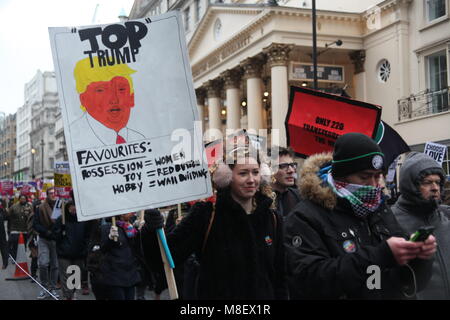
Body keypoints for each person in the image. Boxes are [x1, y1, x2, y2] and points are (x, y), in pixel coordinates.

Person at [285, 132, 436, 299]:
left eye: (377, 176)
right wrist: (380, 255)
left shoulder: (380, 208)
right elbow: (309, 280)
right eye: (364, 177)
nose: (373, 185)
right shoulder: (305, 217)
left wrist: (419, 257)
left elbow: (408, 283)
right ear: (341, 176)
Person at [141, 146, 288, 299]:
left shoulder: (272, 218)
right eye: (243, 173)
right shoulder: (206, 214)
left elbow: (280, 276)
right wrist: (151, 231)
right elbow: (163, 258)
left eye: (255, 172)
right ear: (226, 177)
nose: (251, 180)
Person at [392, 152, 450, 299]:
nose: (435, 187)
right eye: (427, 182)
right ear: (410, 185)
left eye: (437, 182)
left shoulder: (446, 216)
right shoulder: (390, 220)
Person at [70, 56, 145, 149]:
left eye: (121, 89)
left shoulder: (141, 140)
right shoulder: (73, 138)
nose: (114, 99)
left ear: (131, 98)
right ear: (83, 99)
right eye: (101, 90)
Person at [89, 213, 141, 300]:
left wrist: (141, 231)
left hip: (130, 274)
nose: (132, 213)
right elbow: (101, 249)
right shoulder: (106, 229)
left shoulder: (131, 229)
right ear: (120, 214)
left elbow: (137, 248)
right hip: (114, 275)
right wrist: (110, 239)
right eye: (128, 211)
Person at [52, 201, 91, 300]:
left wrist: (85, 248)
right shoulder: (61, 220)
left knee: (75, 276)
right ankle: (67, 296)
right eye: (71, 206)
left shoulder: (83, 220)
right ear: (67, 208)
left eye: (75, 206)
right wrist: (61, 230)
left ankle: (72, 294)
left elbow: (87, 236)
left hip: (79, 252)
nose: (73, 208)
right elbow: (55, 236)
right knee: (66, 276)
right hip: (64, 253)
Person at [33, 188, 59, 299]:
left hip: (56, 240)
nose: (53, 195)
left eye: (54, 193)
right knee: (43, 264)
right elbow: (36, 224)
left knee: (55, 265)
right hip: (44, 238)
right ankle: (44, 287)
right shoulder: (40, 208)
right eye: (51, 193)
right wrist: (46, 231)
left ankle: (52, 288)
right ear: (47, 195)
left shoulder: (60, 207)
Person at [270, 146, 301, 217]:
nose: (291, 170)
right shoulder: (260, 198)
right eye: (283, 166)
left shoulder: (299, 196)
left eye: (292, 165)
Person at [6, 194, 32, 260]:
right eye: (21, 198)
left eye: (24, 199)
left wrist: (28, 214)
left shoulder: (29, 206)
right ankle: (14, 257)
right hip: (15, 229)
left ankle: (22, 257)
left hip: (25, 230)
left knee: (23, 245)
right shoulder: (14, 207)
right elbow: (8, 216)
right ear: (19, 199)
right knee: (15, 244)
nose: (23, 200)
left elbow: (32, 217)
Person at [0, 199, 8, 269]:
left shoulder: (2, 211)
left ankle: (5, 263)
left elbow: (6, 217)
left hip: (1, 233)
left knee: (3, 248)